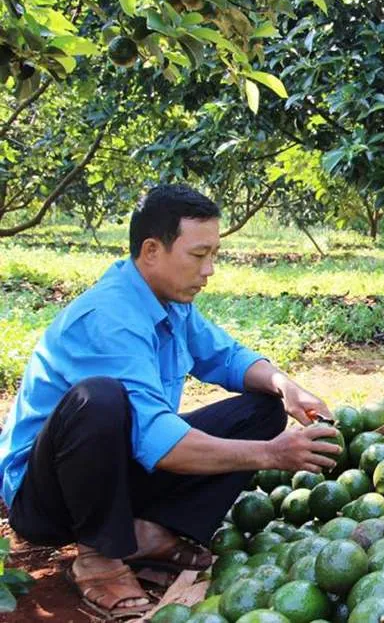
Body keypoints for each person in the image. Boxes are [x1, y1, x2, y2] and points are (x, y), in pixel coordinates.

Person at [0, 185, 342, 619]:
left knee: (263, 406)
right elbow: (162, 442)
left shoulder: (171, 302)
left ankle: (149, 533)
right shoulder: (109, 318)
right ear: (151, 250)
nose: (210, 270)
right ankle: (98, 557)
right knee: (100, 399)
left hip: (119, 472)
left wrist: (285, 385)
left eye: (214, 254)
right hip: (49, 497)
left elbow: (226, 357)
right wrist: (273, 453)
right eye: (199, 255)